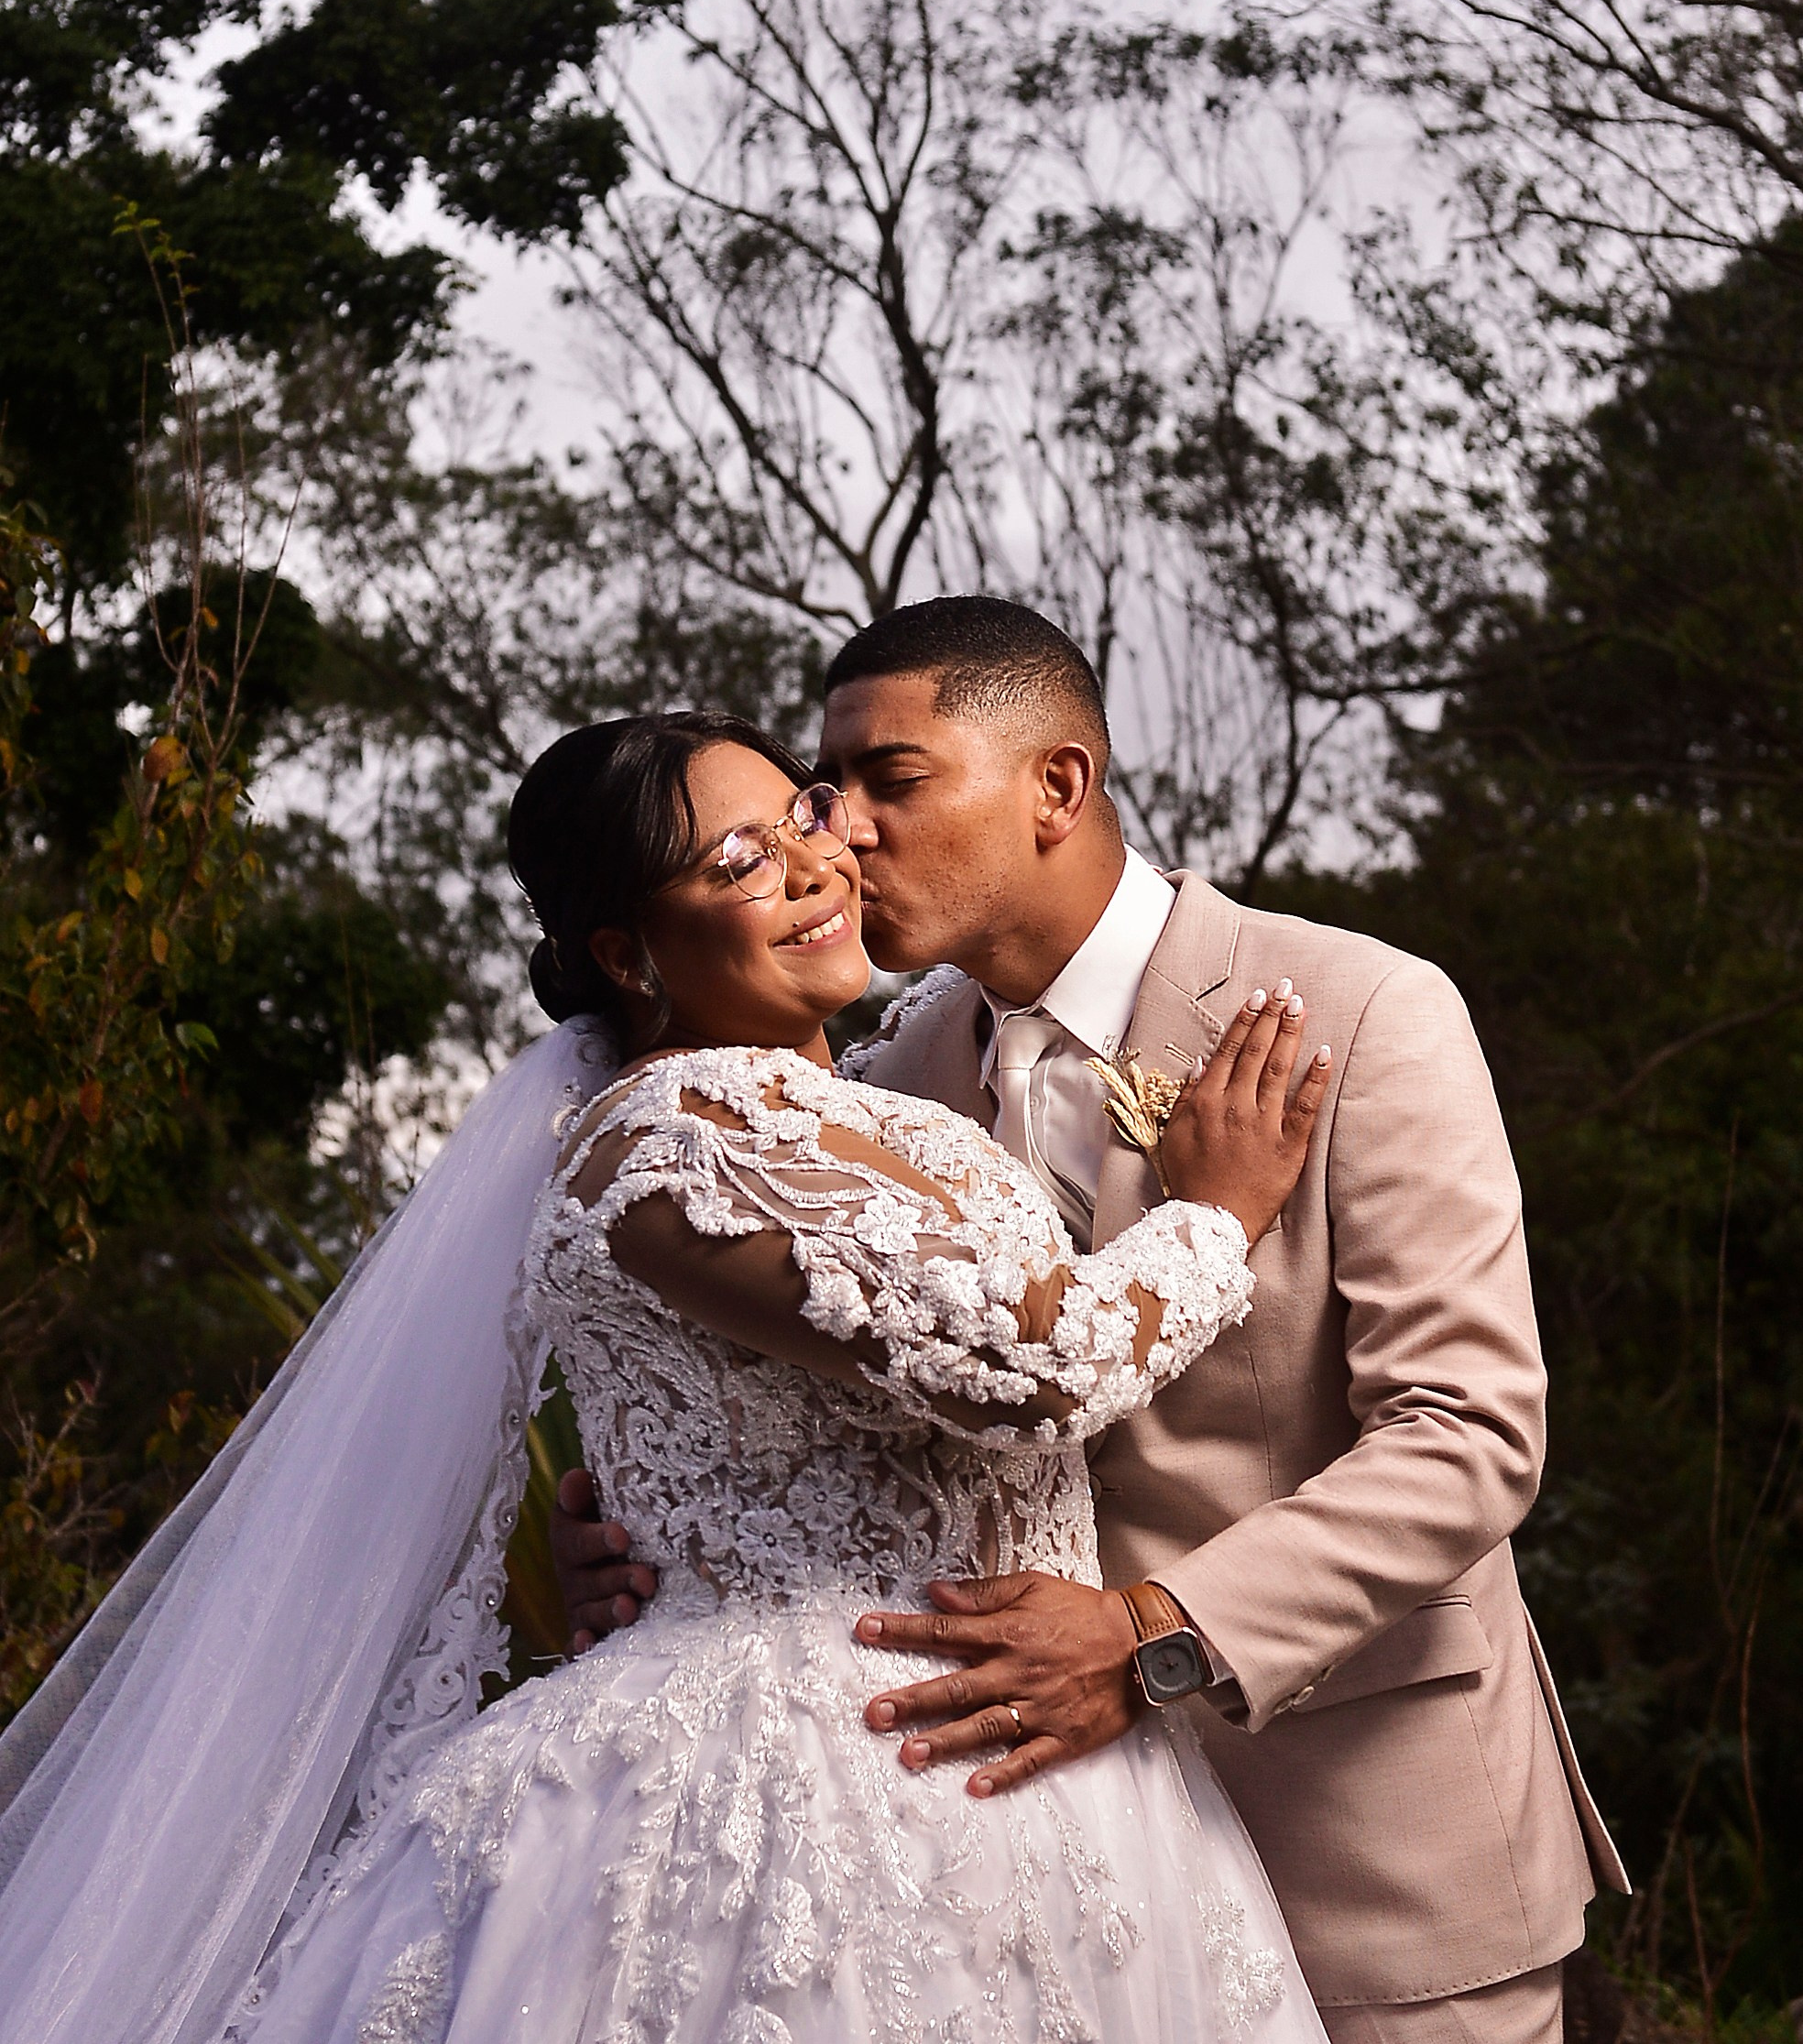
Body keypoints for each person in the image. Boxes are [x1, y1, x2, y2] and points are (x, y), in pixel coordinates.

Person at [0, 708, 1334, 2044]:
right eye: (738, 863)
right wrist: (1214, 1213)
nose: (815, 865)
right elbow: (1035, 1365)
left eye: (803, 818)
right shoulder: (669, 1142)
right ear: (627, 954)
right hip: (810, 1773)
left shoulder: (882, 1080)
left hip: (1043, 1753)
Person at [553, 602, 1630, 2044]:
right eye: (829, 789)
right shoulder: (876, 1084)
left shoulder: (1360, 1010)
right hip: (1017, 1874)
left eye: (894, 781)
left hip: (1365, 1842)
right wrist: (652, 1534)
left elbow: (1470, 1436)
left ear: (1057, 785)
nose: (843, 833)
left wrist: (1153, 1636)